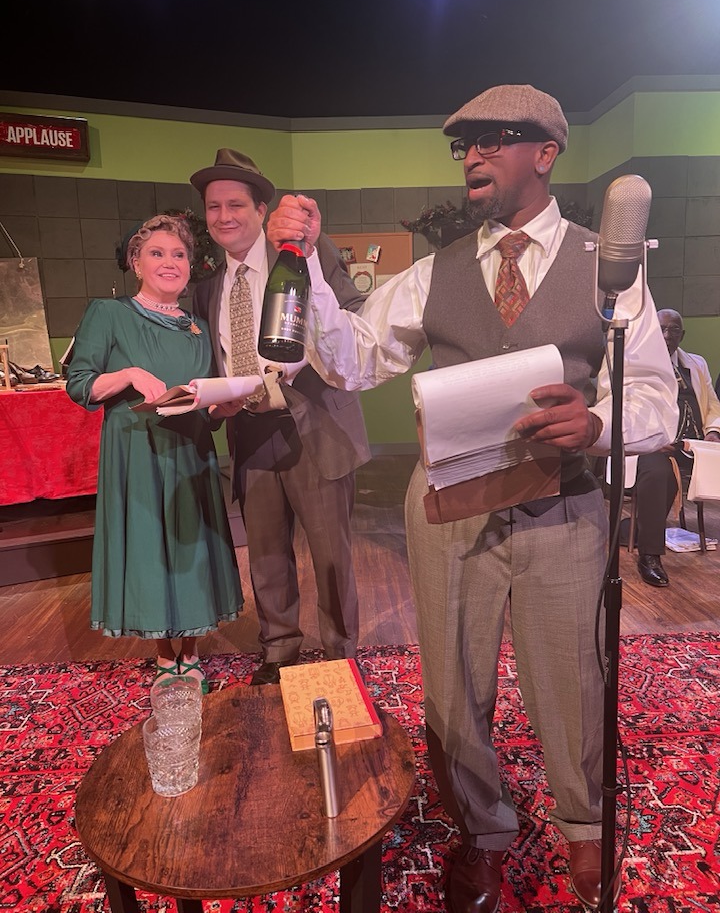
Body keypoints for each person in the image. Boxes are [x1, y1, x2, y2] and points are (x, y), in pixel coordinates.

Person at [266, 85, 679, 910]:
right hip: (450, 509)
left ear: (546, 153)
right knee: (453, 684)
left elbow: (655, 396)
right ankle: (481, 830)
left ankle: (584, 825)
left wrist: (597, 422)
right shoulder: (437, 271)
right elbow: (351, 359)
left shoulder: (609, 265)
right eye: (465, 145)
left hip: (565, 507)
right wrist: (306, 264)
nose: (474, 156)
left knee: (572, 677)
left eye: (496, 138)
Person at [190, 149, 370, 686]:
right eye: (214, 207)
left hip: (314, 425)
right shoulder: (207, 288)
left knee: (331, 553)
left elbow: (352, 321)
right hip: (249, 430)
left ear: (261, 209)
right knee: (266, 552)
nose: (224, 216)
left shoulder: (304, 255)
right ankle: (279, 649)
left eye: (236, 204)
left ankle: (340, 653)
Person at [66, 213, 243, 694]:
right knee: (150, 549)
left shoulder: (199, 327)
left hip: (190, 451)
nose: (170, 262)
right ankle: (165, 656)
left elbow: (203, 402)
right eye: (157, 253)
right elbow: (79, 384)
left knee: (191, 549)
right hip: (137, 454)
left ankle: (192, 652)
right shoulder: (109, 314)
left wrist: (222, 408)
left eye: (179, 254)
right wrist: (127, 375)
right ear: (136, 262)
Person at [633, 308, 720, 587]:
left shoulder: (696, 364)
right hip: (657, 444)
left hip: (696, 444)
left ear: (682, 335)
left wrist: (713, 431)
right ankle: (649, 555)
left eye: (673, 329)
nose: (667, 334)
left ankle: (638, 533)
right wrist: (654, 438)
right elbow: (631, 408)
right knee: (658, 473)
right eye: (661, 328)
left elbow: (712, 404)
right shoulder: (637, 365)